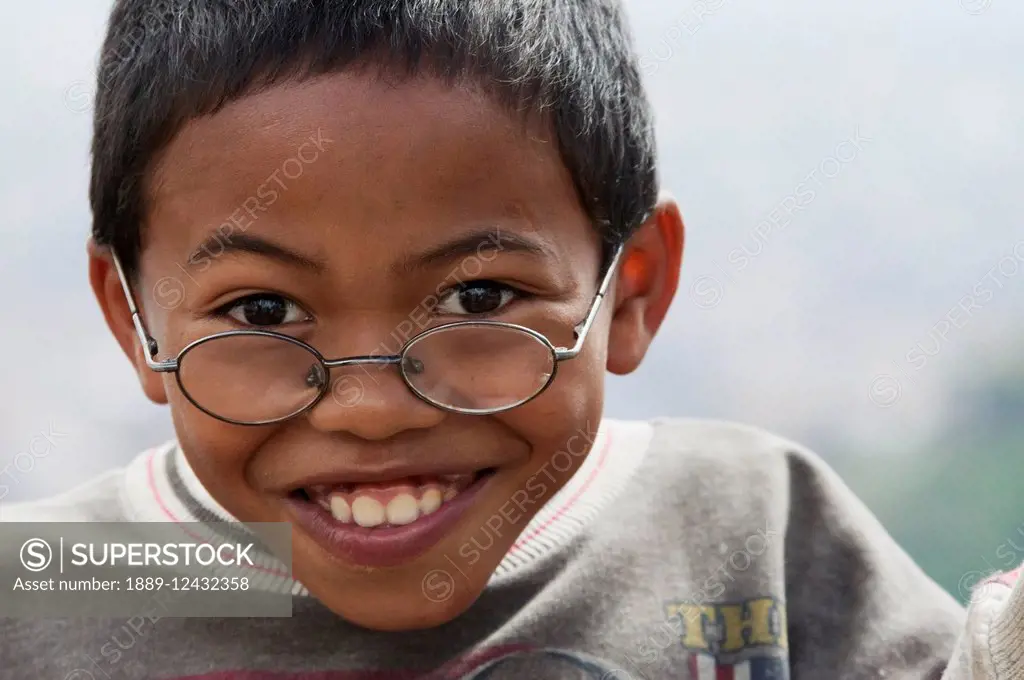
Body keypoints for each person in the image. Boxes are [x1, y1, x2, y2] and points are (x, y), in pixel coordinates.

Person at [0, 1, 977, 678]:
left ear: (629, 289)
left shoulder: (746, 528)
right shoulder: (57, 577)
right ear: (133, 317)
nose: (372, 407)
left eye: (476, 297)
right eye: (262, 312)